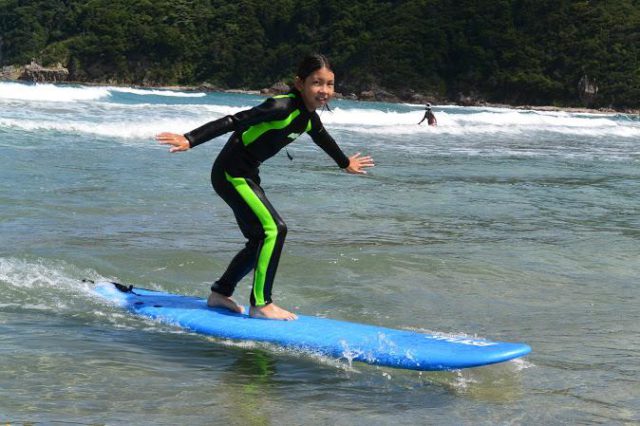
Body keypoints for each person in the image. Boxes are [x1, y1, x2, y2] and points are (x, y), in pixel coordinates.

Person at [155, 54, 374, 321]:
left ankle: (220, 293)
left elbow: (323, 139)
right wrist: (190, 138)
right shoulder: (280, 107)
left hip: (247, 175)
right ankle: (261, 303)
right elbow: (234, 120)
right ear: (300, 83)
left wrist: (345, 163)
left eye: (329, 84)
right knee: (275, 229)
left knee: (260, 239)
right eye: (317, 83)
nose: (324, 90)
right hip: (231, 174)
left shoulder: (308, 118)